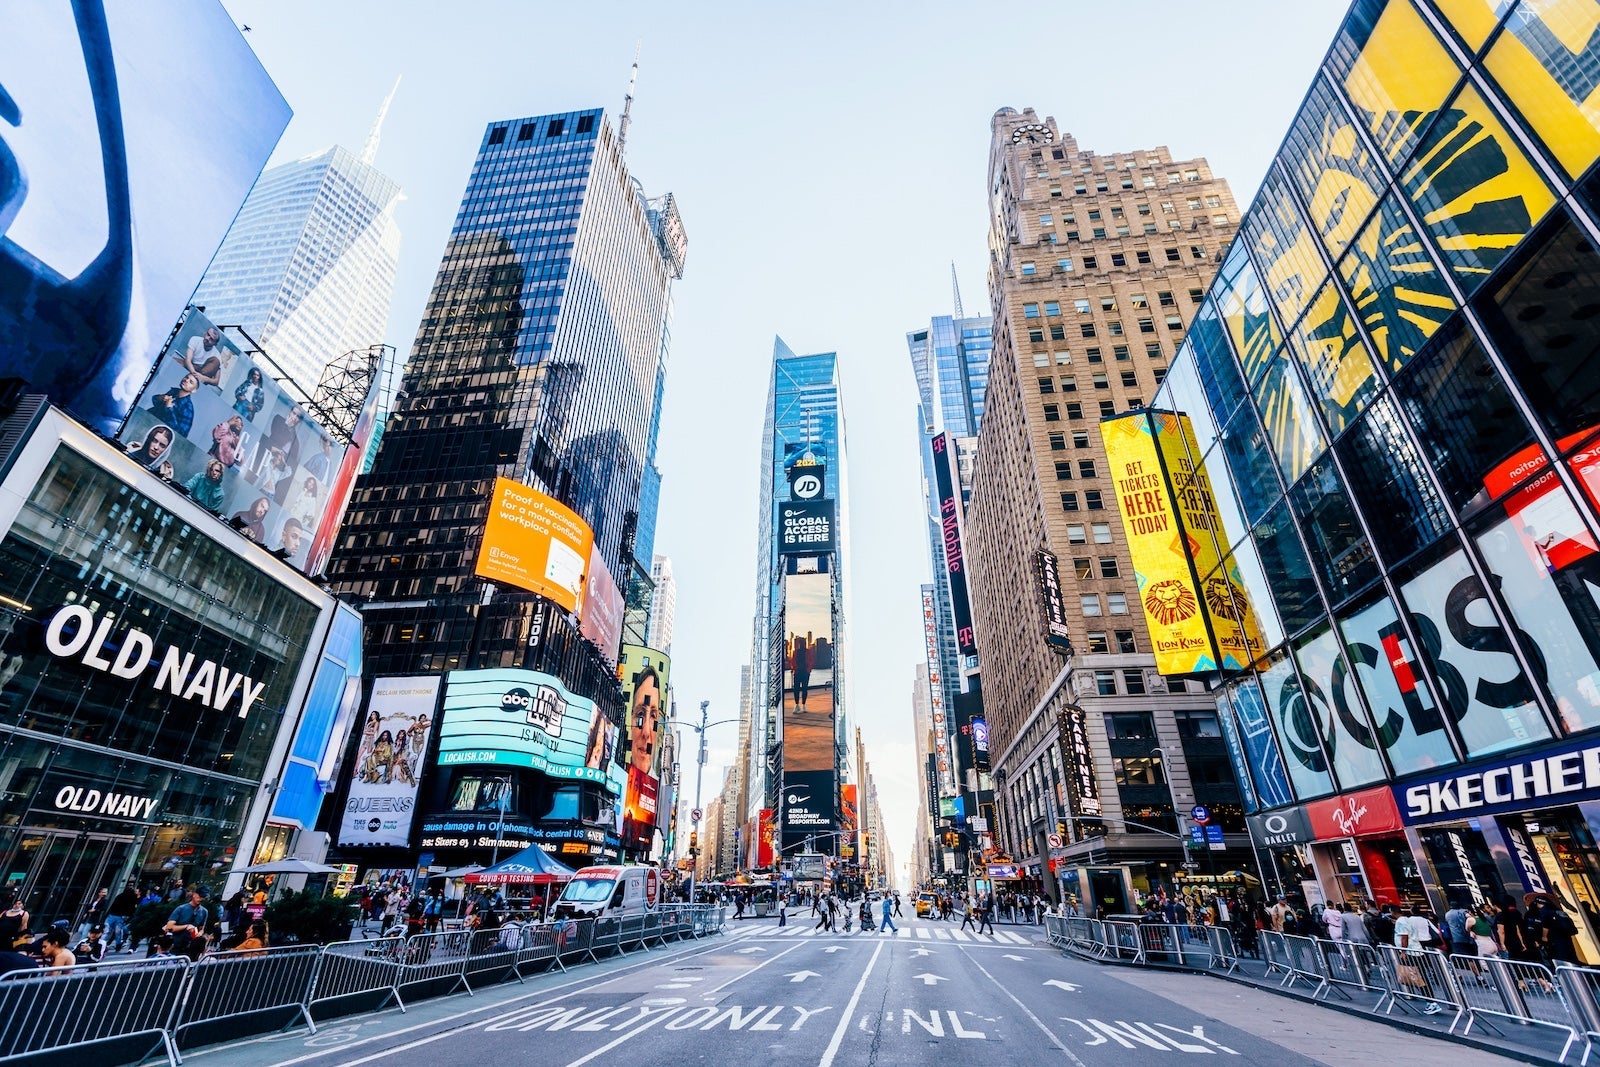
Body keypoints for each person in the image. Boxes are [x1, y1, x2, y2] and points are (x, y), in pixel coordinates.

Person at [149, 372, 200, 437]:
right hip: (150, 421)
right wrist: (160, 398)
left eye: (191, 382)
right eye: (186, 377)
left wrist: (169, 409)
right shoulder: (174, 391)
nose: (186, 380)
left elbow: (181, 434)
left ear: (194, 390)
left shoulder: (188, 408)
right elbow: (155, 403)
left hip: (160, 434)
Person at [164, 887, 209, 956]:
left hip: (191, 948)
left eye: (204, 897)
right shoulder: (181, 908)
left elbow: (201, 928)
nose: (201, 899)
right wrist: (186, 926)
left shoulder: (204, 912)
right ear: (194, 894)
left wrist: (199, 934)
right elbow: (169, 927)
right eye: (200, 896)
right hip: (176, 946)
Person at [107, 882, 138, 953]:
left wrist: (128, 916)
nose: (130, 887)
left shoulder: (132, 896)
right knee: (109, 930)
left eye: (131, 886)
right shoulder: (121, 896)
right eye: (129, 885)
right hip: (116, 915)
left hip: (122, 916)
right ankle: (113, 944)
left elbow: (132, 908)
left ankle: (119, 944)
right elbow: (114, 905)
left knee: (118, 931)